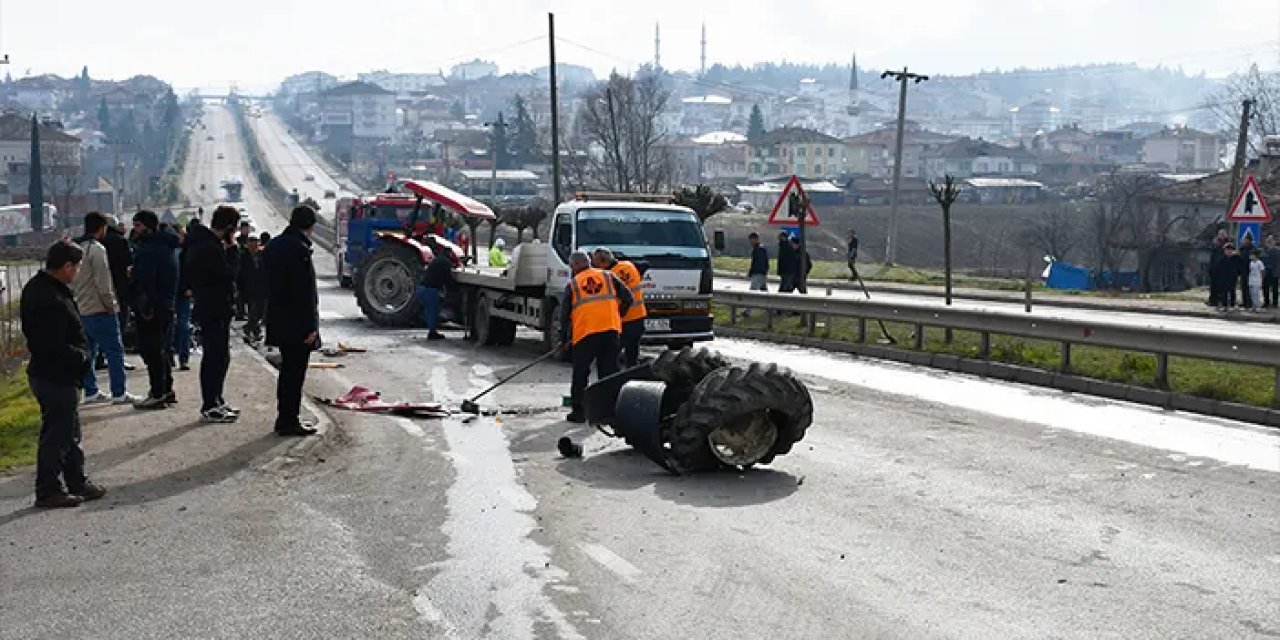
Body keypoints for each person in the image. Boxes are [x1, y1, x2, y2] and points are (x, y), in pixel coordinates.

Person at [21, 240, 106, 508]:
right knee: (57, 436)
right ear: (67, 266)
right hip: (55, 376)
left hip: (55, 374)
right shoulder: (50, 298)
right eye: (77, 267)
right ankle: (48, 490)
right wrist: (81, 357)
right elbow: (52, 345)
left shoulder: (43, 288)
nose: (78, 272)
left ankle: (76, 481)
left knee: (69, 433)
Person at [264, 206, 321, 437]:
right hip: (298, 323)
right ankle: (289, 420)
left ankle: (284, 417)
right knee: (295, 374)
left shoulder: (274, 246)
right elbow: (305, 293)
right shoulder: (300, 250)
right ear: (310, 226)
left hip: (279, 318)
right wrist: (311, 327)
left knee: (287, 371)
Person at [73, 212, 140, 405]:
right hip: (100, 308)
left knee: (89, 352)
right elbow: (103, 283)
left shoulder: (77, 249)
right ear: (102, 228)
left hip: (82, 307)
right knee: (114, 351)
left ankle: (91, 390)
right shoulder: (97, 250)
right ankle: (119, 392)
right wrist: (112, 305)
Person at [559, 250, 633, 423]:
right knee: (609, 373)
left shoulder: (573, 284)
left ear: (576, 265)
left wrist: (564, 339)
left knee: (580, 373)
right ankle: (609, 412)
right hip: (610, 331)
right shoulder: (608, 276)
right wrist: (618, 315)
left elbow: (564, 315)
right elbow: (628, 298)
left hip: (585, 334)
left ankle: (578, 412)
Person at [185, 205, 241, 423]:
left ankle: (217, 399)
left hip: (216, 307)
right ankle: (210, 404)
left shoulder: (207, 244)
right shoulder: (208, 247)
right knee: (214, 357)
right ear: (229, 228)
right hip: (213, 308)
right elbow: (227, 274)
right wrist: (233, 252)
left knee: (221, 357)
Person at [130, 210, 180, 410]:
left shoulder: (150, 249)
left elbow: (147, 280)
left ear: (148, 226)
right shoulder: (166, 245)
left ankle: (158, 393)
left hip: (152, 307)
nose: (135, 230)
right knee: (161, 349)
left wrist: (145, 305)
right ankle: (166, 390)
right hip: (165, 304)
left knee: (152, 350)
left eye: (138, 225)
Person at [592, 247, 647, 368]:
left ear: (604, 262)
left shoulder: (610, 276)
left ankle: (614, 377)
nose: (595, 267)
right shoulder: (629, 265)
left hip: (623, 320)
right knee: (632, 353)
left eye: (596, 264)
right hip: (638, 316)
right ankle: (631, 375)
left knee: (612, 354)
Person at [101, 214, 134, 355]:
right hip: (120, 286)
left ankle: (101, 355)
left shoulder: (98, 242)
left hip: (101, 286)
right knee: (120, 322)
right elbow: (129, 262)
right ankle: (117, 354)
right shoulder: (121, 241)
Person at [416, 237, 454, 340]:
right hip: (430, 290)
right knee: (433, 311)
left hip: (421, 289)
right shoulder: (445, 262)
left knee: (429, 311)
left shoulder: (436, 259)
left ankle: (431, 330)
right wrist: (453, 290)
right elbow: (449, 279)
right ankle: (432, 333)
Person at [169, 223, 194, 371]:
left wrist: (190, 287)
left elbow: (191, 270)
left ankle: (183, 358)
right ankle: (169, 356)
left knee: (183, 326)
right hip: (169, 294)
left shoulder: (187, 251)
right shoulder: (167, 251)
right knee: (170, 327)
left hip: (184, 293)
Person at [239, 234, 267, 342]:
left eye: (255, 244)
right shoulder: (243, 256)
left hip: (261, 287)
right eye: (251, 244)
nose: (253, 246)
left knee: (260, 311)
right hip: (249, 287)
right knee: (253, 310)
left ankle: (252, 328)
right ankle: (253, 330)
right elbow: (240, 273)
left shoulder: (261, 255)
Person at [1264, 236, 1280, 308]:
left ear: (1274, 242)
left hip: (1274, 272)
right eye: (1268, 241)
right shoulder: (1263, 250)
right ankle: (1266, 302)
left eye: (1271, 241)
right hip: (1266, 272)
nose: (1269, 242)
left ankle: (1275, 303)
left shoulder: (1277, 251)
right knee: (1265, 288)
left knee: (1275, 289)